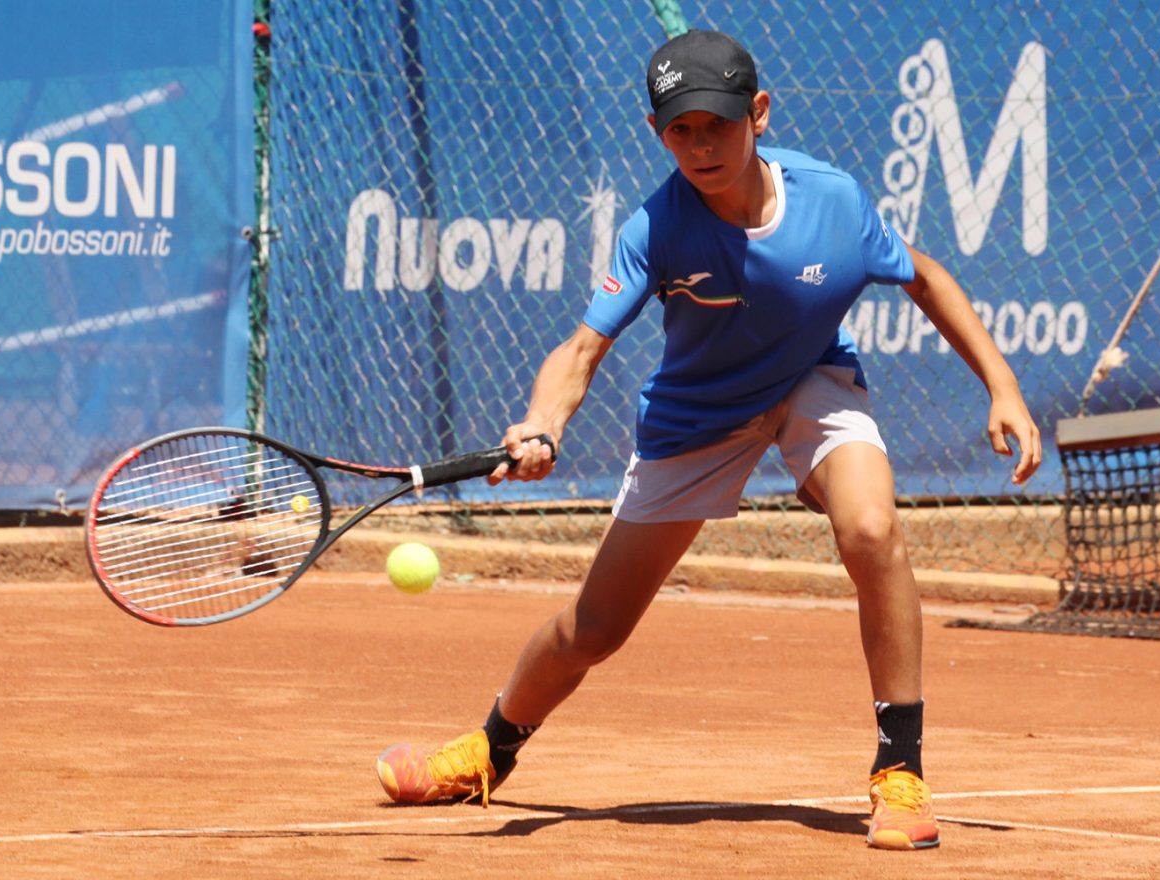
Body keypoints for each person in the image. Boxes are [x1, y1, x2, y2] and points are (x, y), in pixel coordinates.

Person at [376, 29, 1042, 851]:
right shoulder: (656, 228)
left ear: (757, 114)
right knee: (595, 629)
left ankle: (899, 771)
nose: (698, 145)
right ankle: (489, 748)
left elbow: (927, 276)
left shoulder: (832, 201)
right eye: (678, 129)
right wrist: (544, 423)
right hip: (698, 414)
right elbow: (583, 350)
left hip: (808, 381)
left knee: (872, 530)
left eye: (716, 124)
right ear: (658, 131)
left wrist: (1002, 387)